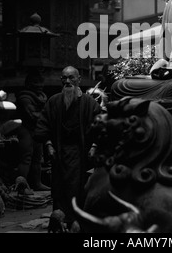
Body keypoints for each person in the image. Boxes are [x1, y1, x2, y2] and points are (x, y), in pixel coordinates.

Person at [33, 66, 101, 232]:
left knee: (78, 187)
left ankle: (77, 221)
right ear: (61, 81)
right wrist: (48, 144)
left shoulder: (89, 103)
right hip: (59, 151)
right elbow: (43, 125)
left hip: (81, 152)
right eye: (64, 78)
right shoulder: (54, 101)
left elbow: (100, 126)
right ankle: (59, 219)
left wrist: (94, 146)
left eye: (71, 78)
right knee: (59, 187)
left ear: (79, 80)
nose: (68, 81)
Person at [15, 70, 50, 193]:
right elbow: (32, 115)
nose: (39, 85)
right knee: (26, 159)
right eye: (36, 83)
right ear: (29, 84)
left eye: (41, 83)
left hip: (36, 131)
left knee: (37, 159)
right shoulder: (25, 97)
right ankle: (21, 186)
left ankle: (36, 183)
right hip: (26, 130)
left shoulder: (41, 97)